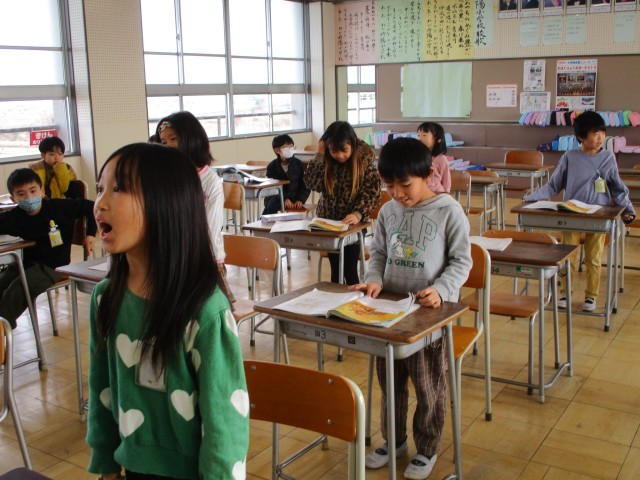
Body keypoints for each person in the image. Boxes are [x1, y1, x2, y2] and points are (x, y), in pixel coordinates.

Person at [87, 143, 248, 480]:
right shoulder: (106, 297)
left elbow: (225, 422)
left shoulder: (205, 311)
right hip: (132, 467)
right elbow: (102, 387)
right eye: (100, 188)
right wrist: (105, 463)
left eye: (119, 189)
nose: (100, 203)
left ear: (166, 203)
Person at [351, 137, 471, 480]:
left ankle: (427, 447)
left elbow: (461, 261)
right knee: (391, 386)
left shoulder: (448, 211)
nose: (398, 194)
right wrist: (374, 279)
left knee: (428, 387)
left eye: (405, 185)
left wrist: (442, 289)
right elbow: (379, 254)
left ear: (428, 174)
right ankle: (395, 441)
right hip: (389, 313)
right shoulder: (389, 211)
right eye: (390, 186)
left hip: (428, 316)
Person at [524, 111, 635, 311]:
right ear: (581, 136)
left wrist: (628, 208)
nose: (600, 137)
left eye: (602, 132)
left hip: (598, 215)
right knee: (567, 256)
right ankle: (564, 293)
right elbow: (553, 185)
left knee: (594, 258)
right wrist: (531, 197)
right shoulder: (570, 157)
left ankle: (591, 296)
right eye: (595, 133)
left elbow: (618, 188)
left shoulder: (608, 157)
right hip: (571, 214)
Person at [0, 168, 96, 329]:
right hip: (25, 264)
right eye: (21, 194)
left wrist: (91, 234)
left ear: (42, 191)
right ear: (13, 198)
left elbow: (92, 207)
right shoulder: (14, 217)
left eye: (33, 191)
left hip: (54, 266)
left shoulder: (59, 207)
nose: (28, 197)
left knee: (17, 290)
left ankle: (3, 330)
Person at [155, 111, 233, 302]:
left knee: (208, 308)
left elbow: (211, 228)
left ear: (191, 138)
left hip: (205, 260)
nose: (168, 146)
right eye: (163, 142)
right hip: (174, 257)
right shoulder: (169, 178)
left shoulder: (210, 181)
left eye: (173, 139)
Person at [304, 121, 381, 284]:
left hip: (352, 225)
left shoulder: (364, 161)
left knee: (349, 270)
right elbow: (312, 184)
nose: (339, 155)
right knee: (336, 271)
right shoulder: (325, 160)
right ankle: (335, 299)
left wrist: (358, 213)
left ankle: (354, 299)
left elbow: (372, 192)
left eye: (344, 150)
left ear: (352, 144)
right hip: (329, 225)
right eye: (333, 151)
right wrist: (319, 155)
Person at [262, 134, 310, 215]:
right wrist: (285, 199)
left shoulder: (299, 164)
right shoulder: (272, 166)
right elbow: (273, 186)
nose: (290, 149)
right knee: (272, 204)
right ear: (277, 150)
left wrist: (300, 199)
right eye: (285, 147)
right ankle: (265, 221)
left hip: (294, 198)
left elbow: (305, 185)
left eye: (291, 146)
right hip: (276, 197)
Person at [417, 122, 451, 194]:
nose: (419, 138)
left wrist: (445, 195)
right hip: (421, 194)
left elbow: (446, 180)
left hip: (437, 194)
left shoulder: (441, 159)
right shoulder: (418, 157)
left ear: (435, 139)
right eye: (418, 135)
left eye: (424, 135)